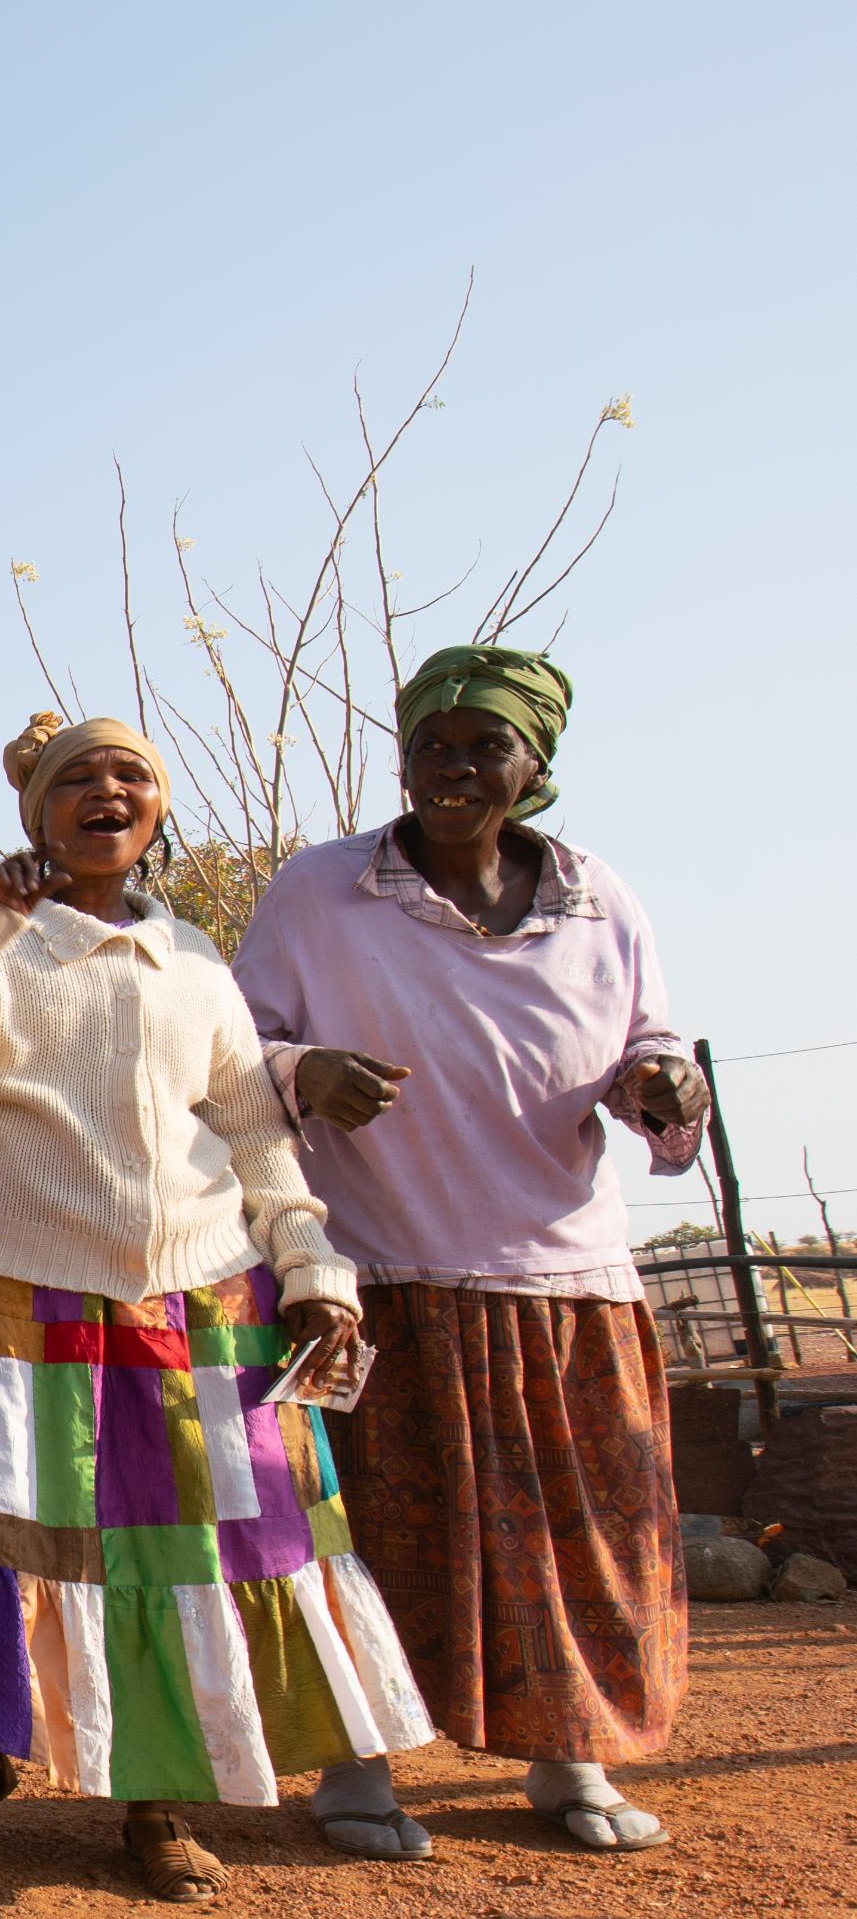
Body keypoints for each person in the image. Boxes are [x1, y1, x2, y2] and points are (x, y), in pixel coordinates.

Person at [0, 713, 431, 1902]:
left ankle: (156, 1798)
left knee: (188, 1545)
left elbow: (258, 1130)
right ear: (38, 813)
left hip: (197, 1294)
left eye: (133, 776)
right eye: (80, 779)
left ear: (155, 811)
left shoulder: (199, 960)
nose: (109, 791)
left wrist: (311, 1269)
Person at [230, 647, 706, 1856]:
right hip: (378, 1274)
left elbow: (647, 1043)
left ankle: (572, 1758)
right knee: (376, 1533)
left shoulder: (600, 897)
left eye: (485, 745)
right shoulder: (321, 892)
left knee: (578, 1536)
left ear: (534, 763)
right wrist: (303, 1074)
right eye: (433, 743)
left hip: (570, 1279)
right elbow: (232, 1056)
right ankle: (357, 1765)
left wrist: (659, 1079)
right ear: (403, 755)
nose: (453, 766)